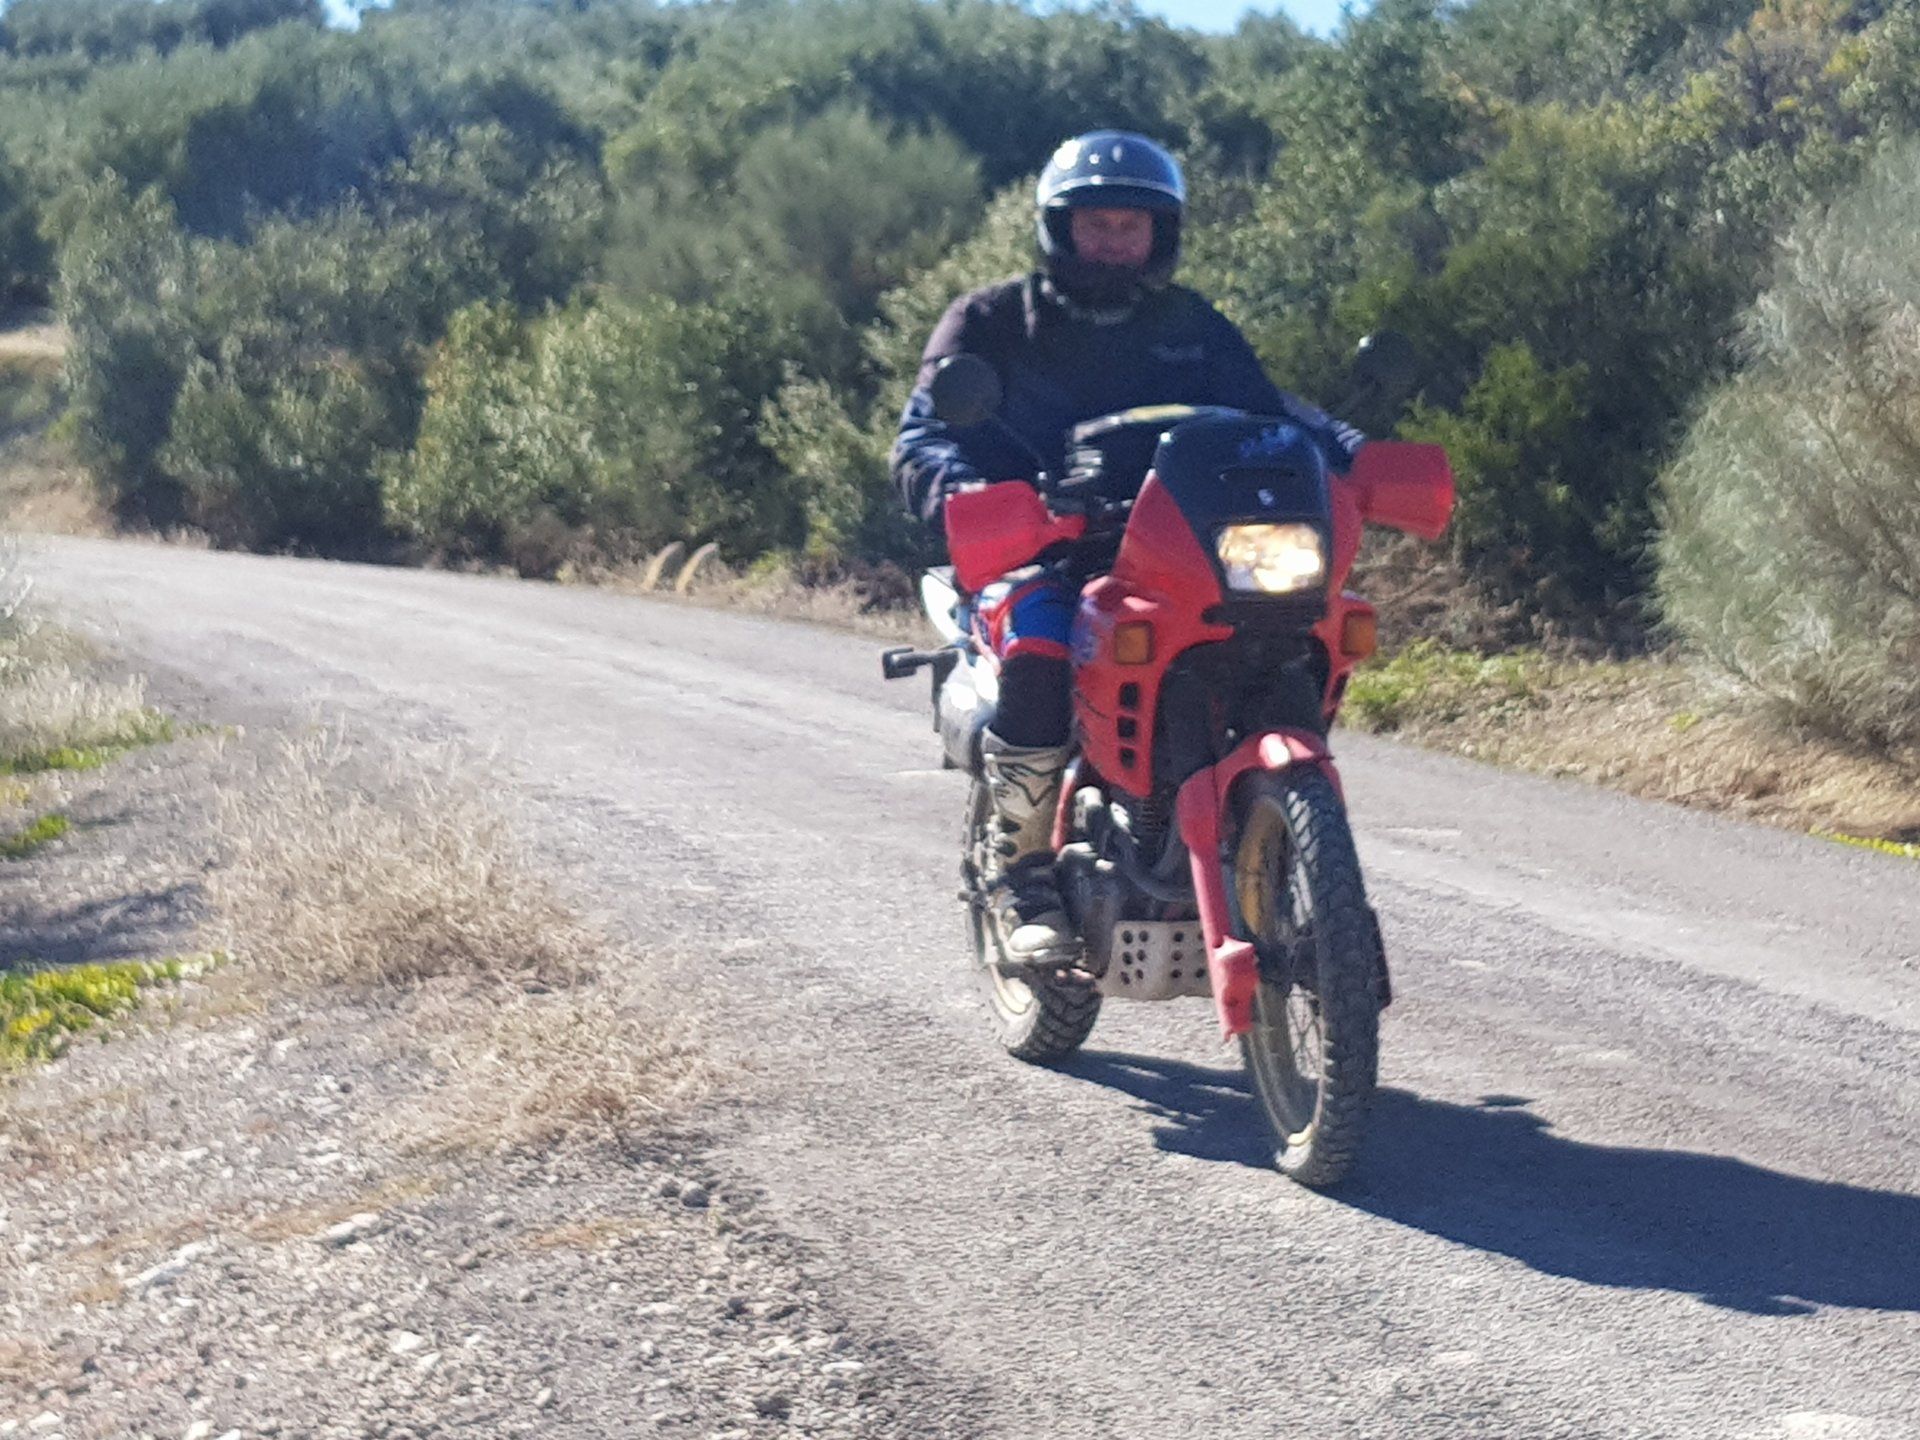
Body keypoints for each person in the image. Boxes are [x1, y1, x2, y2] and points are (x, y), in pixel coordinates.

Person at [892, 130, 1363, 967]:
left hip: (1174, 549)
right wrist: (968, 493)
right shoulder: (993, 320)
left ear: (1160, 233)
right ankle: (1022, 873)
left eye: (1131, 225)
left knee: (1281, 634)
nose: (1113, 241)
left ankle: (1275, 841)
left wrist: (1349, 452)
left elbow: (1270, 413)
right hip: (1038, 548)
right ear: (1059, 228)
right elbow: (924, 435)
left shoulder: (1192, 325)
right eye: (1096, 224)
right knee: (1041, 646)